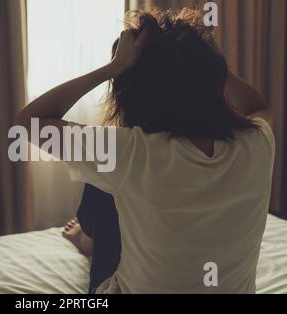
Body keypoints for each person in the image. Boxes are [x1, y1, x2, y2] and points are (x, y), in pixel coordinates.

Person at [16, 8, 275, 293]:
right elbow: (258, 107)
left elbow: (29, 122)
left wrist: (112, 67)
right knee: (117, 184)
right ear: (212, 78)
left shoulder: (129, 152)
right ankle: (89, 236)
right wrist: (208, 63)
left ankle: (89, 237)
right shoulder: (257, 143)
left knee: (108, 182)